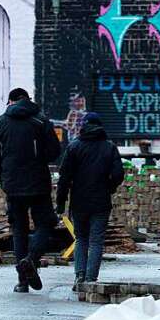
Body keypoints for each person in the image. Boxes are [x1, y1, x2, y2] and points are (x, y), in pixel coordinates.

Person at [0, 88, 63, 294]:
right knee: (46, 225)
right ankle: (30, 260)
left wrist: (4, 180)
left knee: (19, 230)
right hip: (38, 183)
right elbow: (54, 152)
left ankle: (22, 281)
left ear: (10, 101)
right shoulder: (40, 121)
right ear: (28, 100)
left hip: (12, 185)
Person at [55, 111, 125, 291]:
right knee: (96, 241)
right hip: (101, 201)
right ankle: (91, 279)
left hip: (79, 201)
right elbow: (118, 174)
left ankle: (79, 276)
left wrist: (61, 202)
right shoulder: (109, 147)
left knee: (81, 239)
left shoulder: (74, 147)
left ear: (83, 125)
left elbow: (64, 177)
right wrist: (110, 187)